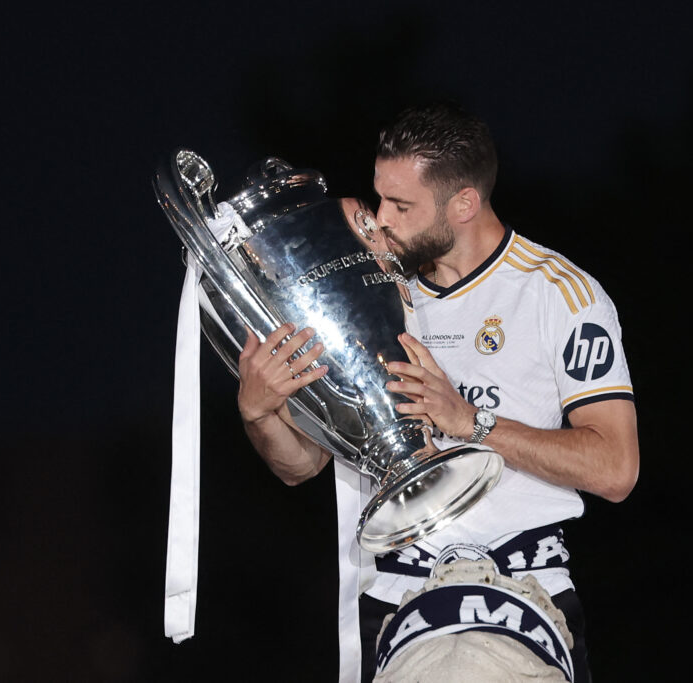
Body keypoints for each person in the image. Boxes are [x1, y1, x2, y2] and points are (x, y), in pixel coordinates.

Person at [236, 102, 639, 682]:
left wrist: (470, 420)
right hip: (395, 602)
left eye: (401, 206)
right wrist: (260, 411)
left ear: (465, 204)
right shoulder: (370, 288)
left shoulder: (560, 295)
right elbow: (300, 466)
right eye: (379, 198)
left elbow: (616, 468)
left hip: (522, 591)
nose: (379, 220)